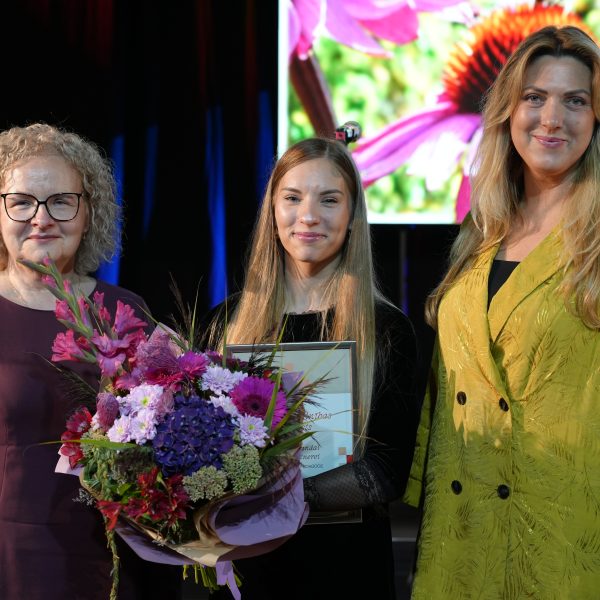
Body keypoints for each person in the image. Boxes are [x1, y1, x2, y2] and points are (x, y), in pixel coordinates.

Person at [404, 25, 600, 599]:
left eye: (575, 101)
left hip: (564, 535)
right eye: (534, 97)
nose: (551, 119)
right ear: (507, 111)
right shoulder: (481, 234)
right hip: (461, 536)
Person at [205, 135, 419, 599]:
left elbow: (387, 472)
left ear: (352, 214)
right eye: (293, 197)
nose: (308, 215)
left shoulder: (388, 330)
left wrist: (275, 497)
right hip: (249, 572)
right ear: (272, 210)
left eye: (329, 199)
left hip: (346, 572)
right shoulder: (225, 323)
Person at [0, 124, 180, 599]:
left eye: (61, 201)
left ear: (88, 212)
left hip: (119, 559)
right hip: (11, 559)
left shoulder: (127, 311)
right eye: (21, 202)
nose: (41, 218)